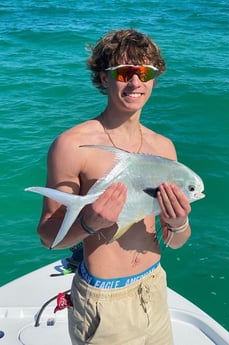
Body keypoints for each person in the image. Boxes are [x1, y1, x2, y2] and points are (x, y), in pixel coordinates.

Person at [37, 29, 192, 345]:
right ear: (103, 78)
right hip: (104, 300)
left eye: (145, 73)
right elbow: (48, 238)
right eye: (124, 72)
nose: (136, 82)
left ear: (154, 79)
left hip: (154, 285)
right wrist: (88, 222)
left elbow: (176, 242)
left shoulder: (164, 148)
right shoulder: (71, 146)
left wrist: (178, 223)